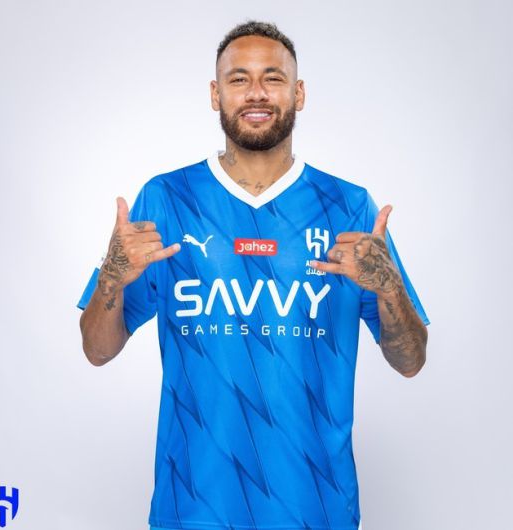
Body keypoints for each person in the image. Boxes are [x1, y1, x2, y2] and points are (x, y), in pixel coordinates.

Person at [77, 20, 430, 530]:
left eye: (273, 78)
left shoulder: (348, 206)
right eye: (239, 79)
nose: (257, 93)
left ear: (298, 93)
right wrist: (111, 277)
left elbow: (411, 360)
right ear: (215, 94)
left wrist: (390, 288)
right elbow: (97, 350)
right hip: (192, 508)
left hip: (318, 509)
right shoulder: (166, 199)